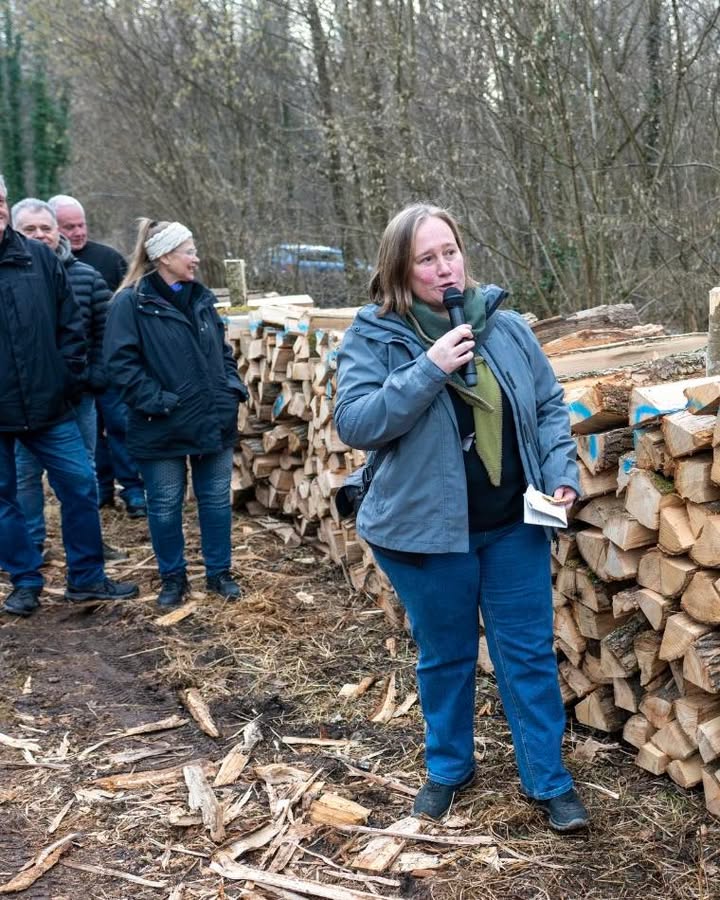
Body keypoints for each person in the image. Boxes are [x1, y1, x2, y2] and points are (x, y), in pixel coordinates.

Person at [333, 203, 588, 832]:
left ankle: (547, 780)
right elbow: (358, 423)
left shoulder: (505, 326)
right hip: (426, 534)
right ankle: (449, 770)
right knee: (445, 655)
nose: (444, 267)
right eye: (427, 258)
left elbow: (551, 405)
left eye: (450, 251)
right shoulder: (376, 335)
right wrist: (430, 368)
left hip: (512, 524)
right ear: (400, 268)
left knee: (526, 653)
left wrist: (560, 472)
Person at [0, 175, 138, 617]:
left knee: (80, 487)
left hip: (50, 405)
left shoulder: (39, 259)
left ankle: (86, 578)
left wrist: (67, 376)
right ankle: (24, 580)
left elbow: (71, 326)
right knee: (5, 500)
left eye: (0, 200)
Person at [104, 218, 248, 608]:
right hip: (161, 425)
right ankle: (173, 578)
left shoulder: (201, 298)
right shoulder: (130, 302)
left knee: (216, 499)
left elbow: (222, 352)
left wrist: (231, 389)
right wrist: (159, 402)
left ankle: (219, 574)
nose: (196, 259)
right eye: (189, 251)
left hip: (212, 418)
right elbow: (121, 365)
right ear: (165, 257)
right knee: (165, 504)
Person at [11, 198, 128, 562]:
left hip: (77, 398)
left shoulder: (87, 277)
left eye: (46, 228)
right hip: (23, 402)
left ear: (57, 230)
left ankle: (88, 546)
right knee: (26, 475)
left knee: (82, 473)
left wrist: (91, 379)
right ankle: (32, 544)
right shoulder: (8, 276)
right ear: (15, 231)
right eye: (29, 229)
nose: (40, 235)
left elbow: (106, 336)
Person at [48, 193, 146, 518]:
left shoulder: (108, 259)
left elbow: (128, 311)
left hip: (111, 368)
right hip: (74, 378)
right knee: (89, 441)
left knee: (121, 429)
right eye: (69, 226)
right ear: (54, 228)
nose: (78, 232)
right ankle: (101, 492)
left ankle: (133, 492)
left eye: (82, 224)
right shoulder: (44, 265)